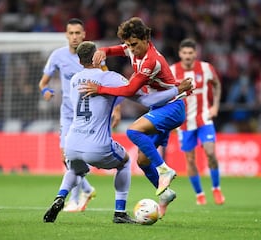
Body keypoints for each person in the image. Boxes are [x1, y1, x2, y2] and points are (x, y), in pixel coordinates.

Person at [43, 41, 193, 223]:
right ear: (97, 56)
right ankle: (119, 213)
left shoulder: (74, 79)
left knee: (76, 170)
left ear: (80, 61)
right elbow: (145, 100)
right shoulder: (110, 77)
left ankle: (60, 197)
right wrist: (177, 90)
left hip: (72, 143)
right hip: (96, 143)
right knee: (124, 162)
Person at [80, 17, 192, 215]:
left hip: (172, 107)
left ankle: (165, 170)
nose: (131, 49)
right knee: (142, 160)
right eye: (129, 44)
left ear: (146, 39)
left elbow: (130, 89)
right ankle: (165, 194)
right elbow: (113, 49)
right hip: (160, 108)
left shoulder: (151, 61)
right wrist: (102, 51)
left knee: (133, 131)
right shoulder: (132, 49)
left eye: (135, 44)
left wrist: (100, 89)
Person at [38, 18, 121, 212]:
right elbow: (43, 82)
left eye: (78, 33)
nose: (74, 37)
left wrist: (116, 108)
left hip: (91, 115)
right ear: (66, 35)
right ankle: (87, 190)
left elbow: (108, 80)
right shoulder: (57, 56)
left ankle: (75, 200)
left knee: (77, 158)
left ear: (84, 35)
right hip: (68, 114)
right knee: (66, 158)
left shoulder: (94, 56)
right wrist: (45, 91)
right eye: (71, 33)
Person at [170, 38, 225, 205]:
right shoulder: (172, 71)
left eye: (190, 53)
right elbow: (167, 95)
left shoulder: (206, 68)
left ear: (195, 53)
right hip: (184, 123)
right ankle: (199, 194)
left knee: (210, 153)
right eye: (184, 53)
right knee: (190, 160)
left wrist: (215, 106)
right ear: (180, 54)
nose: (187, 56)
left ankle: (216, 189)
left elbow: (217, 84)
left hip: (204, 119)